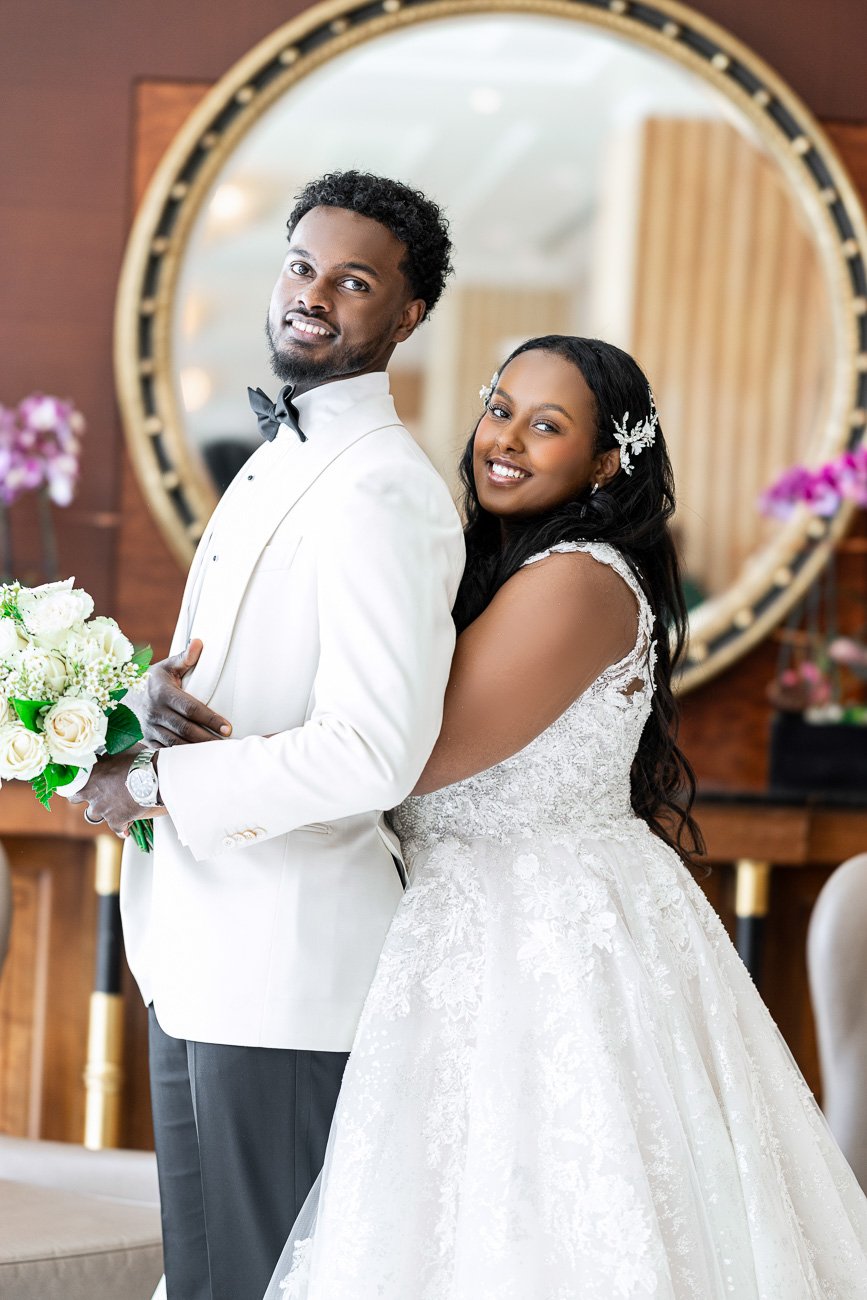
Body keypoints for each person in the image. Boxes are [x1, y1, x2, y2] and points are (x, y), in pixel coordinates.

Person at [267, 336, 867, 1299]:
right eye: (499, 408)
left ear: (605, 461)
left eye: (546, 425)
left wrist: (236, 746)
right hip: (463, 920)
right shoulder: (497, 562)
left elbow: (412, 758)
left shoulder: (578, 578)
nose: (505, 437)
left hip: (543, 935)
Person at [72, 170, 465, 1300]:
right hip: (195, 952)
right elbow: (237, 671)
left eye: (354, 280)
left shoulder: (385, 488)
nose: (314, 295)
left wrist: (150, 788)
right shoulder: (275, 459)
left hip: (292, 976)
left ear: (407, 314)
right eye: (302, 265)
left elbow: (373, 752)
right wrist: (152, 701)